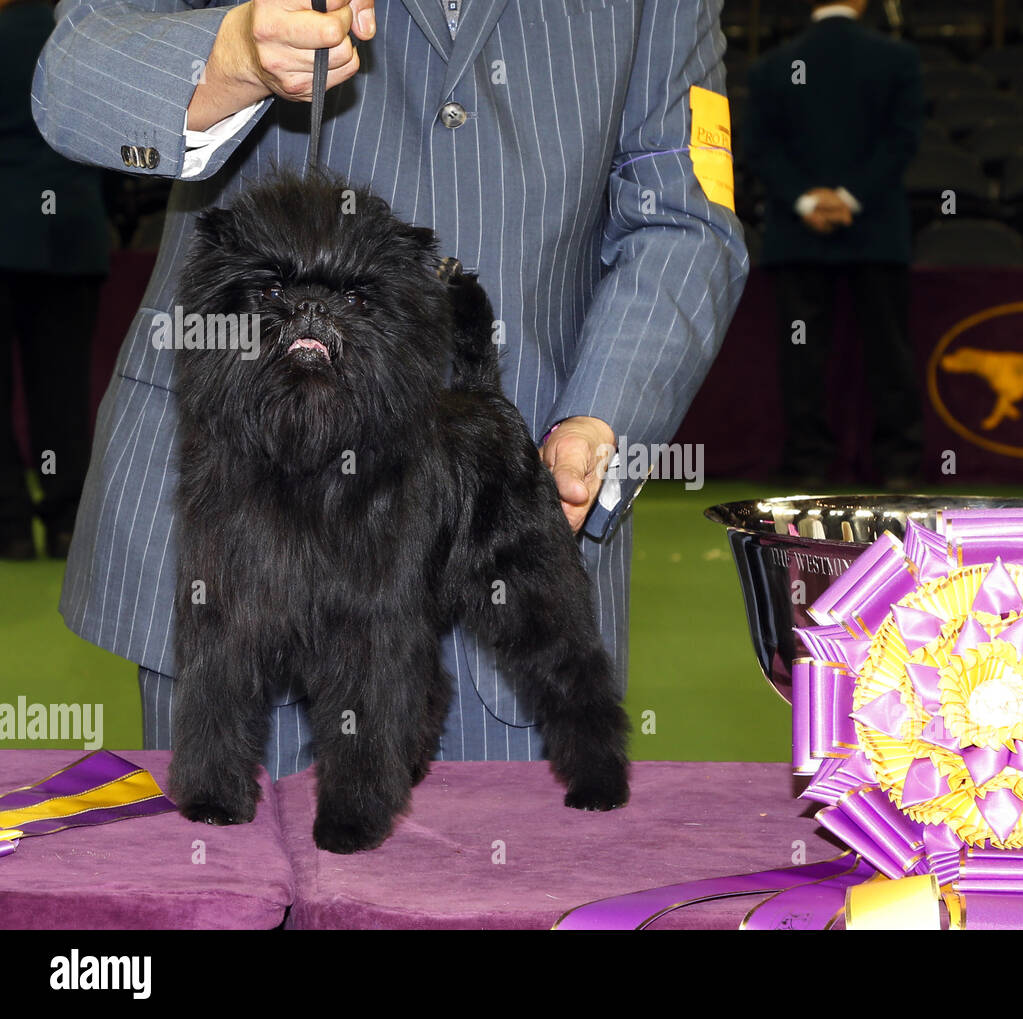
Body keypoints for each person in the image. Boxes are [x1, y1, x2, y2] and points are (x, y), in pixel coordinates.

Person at [33, 0, 747, 778]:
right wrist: (226, 55)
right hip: (237, 536)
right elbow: (73, 80)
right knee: (223, 887)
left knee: (499, 893)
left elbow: (685, 219)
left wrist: (601, 417)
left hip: (496, 537)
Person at [744, 0, 923, 487]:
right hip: (876, 232)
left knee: (802, 354)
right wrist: (850, 197)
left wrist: (806, 201)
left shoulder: (771, 66)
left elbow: (758, 147)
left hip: (797, 235)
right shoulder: (898, 59)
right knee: (888, 351)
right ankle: (899, 467)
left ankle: (807, 465)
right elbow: (903, 140)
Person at [1, 0, 108, 560]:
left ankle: (9, 525)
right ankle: (66, 521)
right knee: (63, 388)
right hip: (71, 230)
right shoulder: (77, 32)